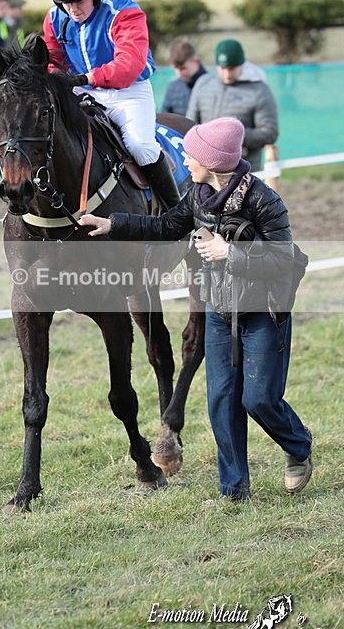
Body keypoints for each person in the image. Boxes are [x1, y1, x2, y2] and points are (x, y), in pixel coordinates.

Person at [79, 116, 312, 502]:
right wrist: (112, 223)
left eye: (191, 156)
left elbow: (284, 259)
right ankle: (234, 491)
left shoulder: (264, 201)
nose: (184, 161)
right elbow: (166, 227)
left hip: (263, 314)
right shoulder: (194, 193)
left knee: (258, 400)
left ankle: (298, 446)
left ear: (215, 162)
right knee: (221, 403)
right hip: (219, 312)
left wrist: (229, 253)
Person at [43, 0, 180, 208]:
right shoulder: (53, 17)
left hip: (127, 91)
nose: (72, 9)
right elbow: (53, 60)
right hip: (81, 89)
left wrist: (86, 78)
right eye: (64, 1)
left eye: (79, 0)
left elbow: (128, 66)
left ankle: (178, 213)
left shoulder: (124, 12)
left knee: (140, 146)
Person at [186, 38, 278, 172]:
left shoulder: (259, 91)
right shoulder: (203, 84)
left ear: (242, 64)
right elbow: (190, 123)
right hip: (205, 169)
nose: (227, 74)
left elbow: (270, 132)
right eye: (223, 68)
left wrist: (231, 137)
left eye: (232, 68)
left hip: (244, 170)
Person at [161, 37, 207, 116]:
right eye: (176, 68)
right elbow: (165, 117)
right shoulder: (173, 87)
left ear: (196, 61)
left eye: (183, 68)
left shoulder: (210, 85)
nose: (179, 73)